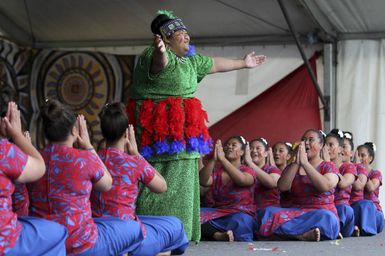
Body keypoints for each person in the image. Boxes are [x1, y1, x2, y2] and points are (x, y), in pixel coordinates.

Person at [129, 10, 266, 241]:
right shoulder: (153, 56)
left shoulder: (190, 61)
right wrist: (160, 52)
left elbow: (215, 64)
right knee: (156, 181)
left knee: (184, 182)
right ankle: (152, 233)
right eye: (179, 33)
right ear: (166, 39)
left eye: (186, 32)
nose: (186, 36)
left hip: (185, 134)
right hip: (158, 134)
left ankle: (181, 234)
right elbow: (158, 64)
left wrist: (243, 63)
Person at [28, 99, 143, 256]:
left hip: (44, 243)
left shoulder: (34, 160)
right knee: (135, 229)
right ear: (75, 131)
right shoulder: (83, 158)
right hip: (81, 244)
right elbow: (107, 183)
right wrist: (88, 146)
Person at [91, 102, 188, 256]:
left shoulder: (91, 159)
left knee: (151, 221)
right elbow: (162, 186)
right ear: (126, 132)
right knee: (176, 225)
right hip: (127, 232)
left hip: (98, 230)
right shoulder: (133, 161)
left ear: (103, 132)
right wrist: (137, 154)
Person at [0, 101, 67, 256]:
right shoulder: (6, 151)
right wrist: (17, 136)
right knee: (58, 233)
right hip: (5, 240)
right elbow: (40, 167)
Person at [257, 129, 340, 241]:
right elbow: (282, 187)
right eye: (304, 140)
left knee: (327, 218)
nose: (306, 143)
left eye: (311, 140)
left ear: (321, 145)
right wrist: (296, 163)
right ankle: (300, 235)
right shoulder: (293, 166)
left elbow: (324, 186)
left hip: (319, 212)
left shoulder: (328, 166)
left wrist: (305, 164)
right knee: (267, 212)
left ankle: (284, 234)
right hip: (295, 212)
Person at [200, 136, 257, 241]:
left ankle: (221, 235)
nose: (229, 147)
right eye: (227, 145)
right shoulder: (217, 171)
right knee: (194, 215)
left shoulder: (248, 170)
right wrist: (213, 159)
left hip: (240, 214)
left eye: (234, 145)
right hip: (218, 214)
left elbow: (242, 180)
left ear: (241, 152)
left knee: (241, 221)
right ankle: (217, 235)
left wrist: (222, 160)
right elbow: (203, 181)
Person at [326, 129, 356, 238]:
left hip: (341, 206)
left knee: (344, 209)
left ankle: (336, 229)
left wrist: (330, 166)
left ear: (339, 149)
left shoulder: (349, 167)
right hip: (325, 206)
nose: (327, 148)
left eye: (331, 145)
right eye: (325, 145)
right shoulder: (321, 165)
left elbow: (343, 184)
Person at [351, 142, 384, 236]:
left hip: (374, 210)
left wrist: (361, 171)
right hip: (359, 207)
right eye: (358, 155)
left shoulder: (376, 173)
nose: (360, 158)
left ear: (370, 158)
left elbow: (371, 188)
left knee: (369, 206)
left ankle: (365, 229)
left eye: (363, 155)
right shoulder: (352, 170)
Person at [343, 131, 368, 236]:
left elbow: (359, 186)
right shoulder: (330, 165)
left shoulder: (357, 166)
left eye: (344, 147)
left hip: (353, 204)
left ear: (352, 152)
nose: (341, 150)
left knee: (366, 205)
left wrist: (356, 165)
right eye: (339, 146)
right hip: (340, 205)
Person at [271, 142, 293, 208]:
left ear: (288, 156)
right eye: (274, 151)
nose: (276, 153)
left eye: (281, 151)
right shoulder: (267, 171)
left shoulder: (292, 171)